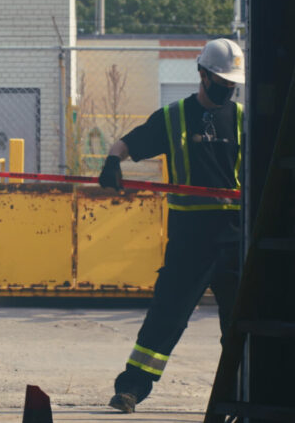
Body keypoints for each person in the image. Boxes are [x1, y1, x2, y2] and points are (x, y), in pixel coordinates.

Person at [98, 38, 245, 413]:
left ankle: (241, 392)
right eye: (221, 82)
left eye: (232, 84)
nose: (227, 89)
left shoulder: (244, 118)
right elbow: (128, 143)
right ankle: (131, 389)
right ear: (202, 74)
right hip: (190, 239)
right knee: (166, 318)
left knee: (241, 324)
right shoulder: (175, 117)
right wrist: (113, 161)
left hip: (234, 237)